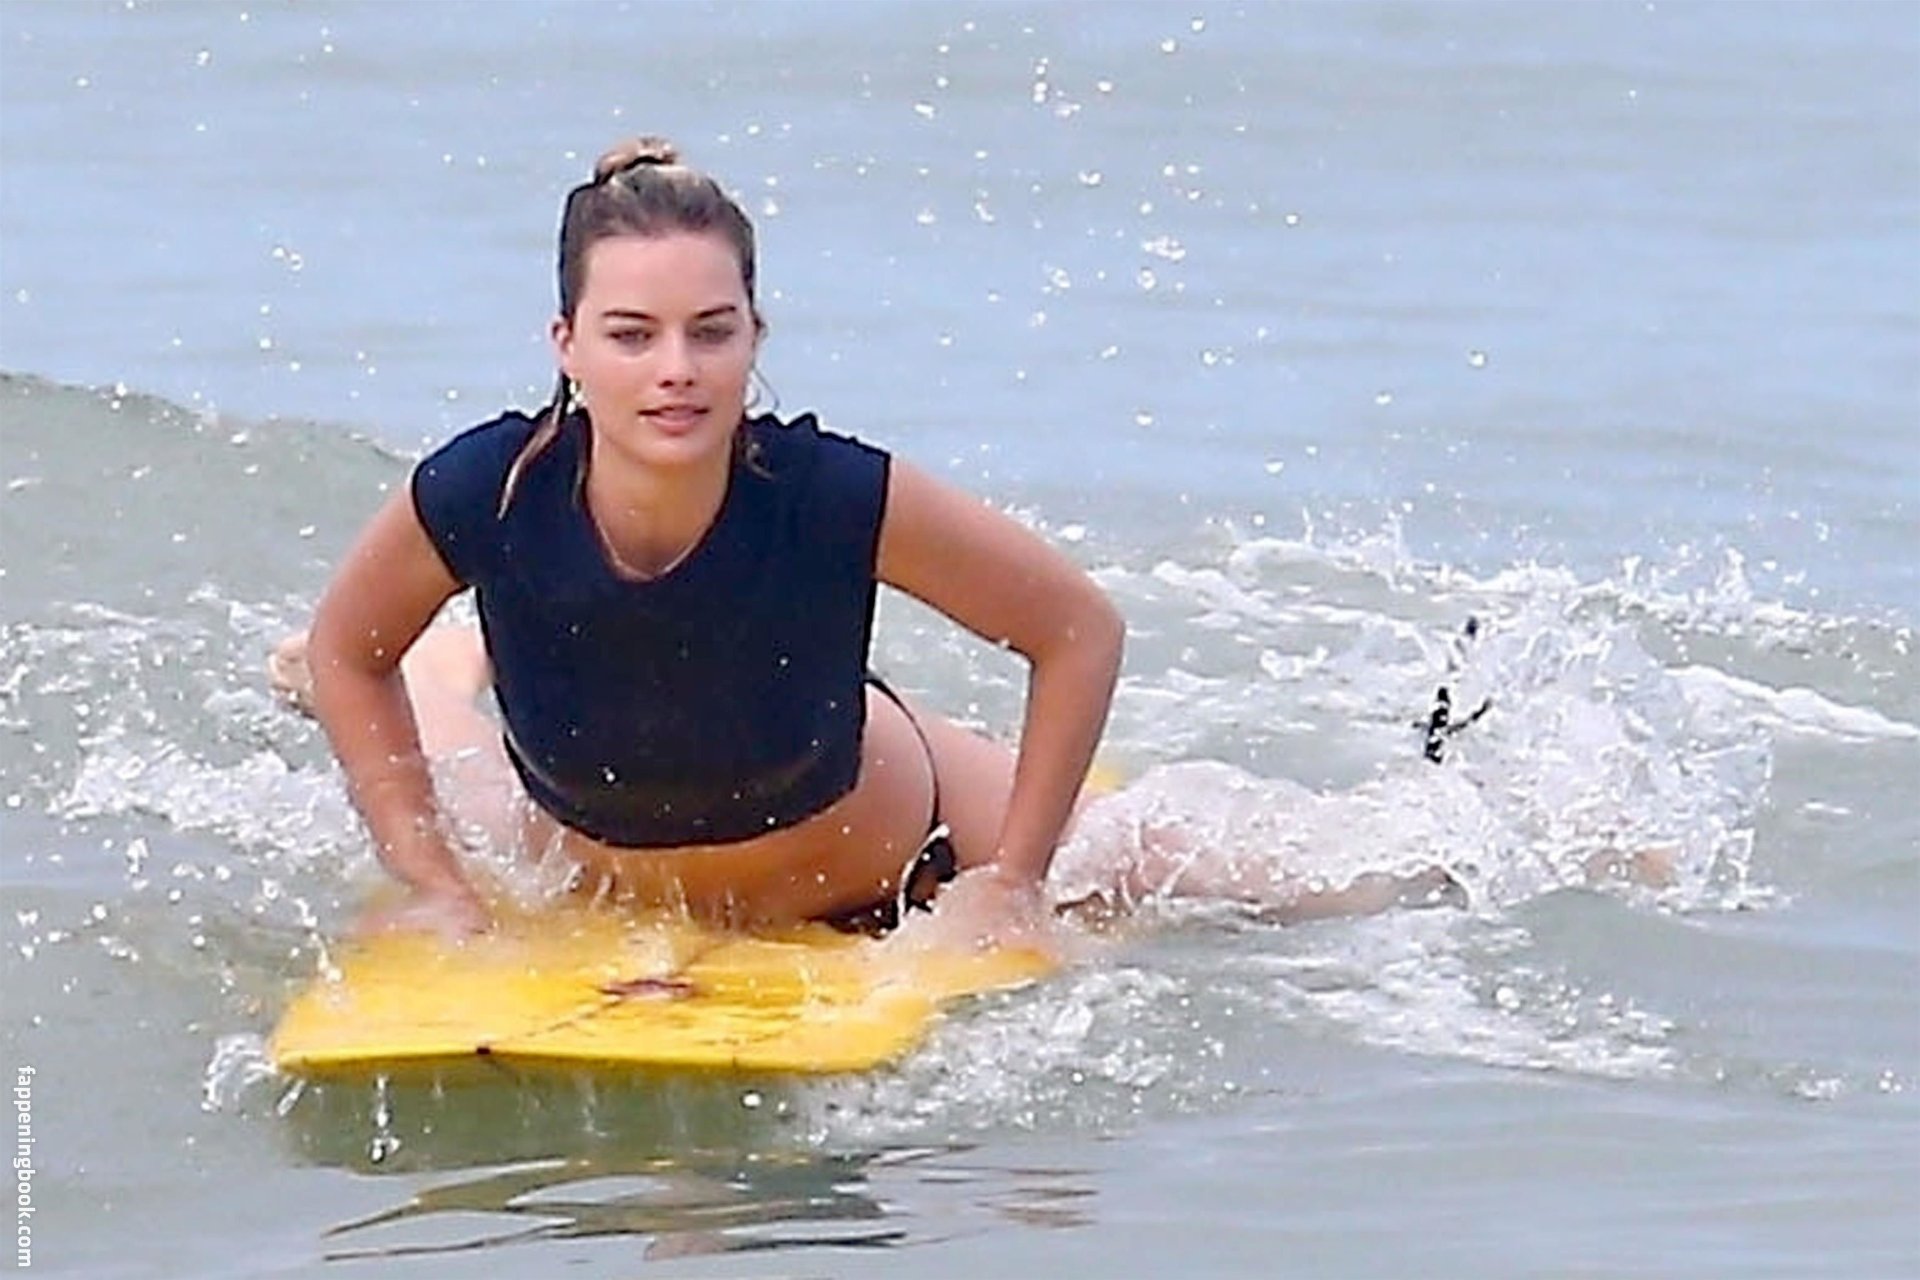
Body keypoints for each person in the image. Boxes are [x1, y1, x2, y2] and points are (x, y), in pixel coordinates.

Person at [276, 136, 1463, 944]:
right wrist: (431, 885)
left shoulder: (830, 493)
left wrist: (1015, 881)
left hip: (905, 846)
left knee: (1282, 878)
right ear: (566, 342)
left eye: (712, 331)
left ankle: (1504, 816)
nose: (676, 368)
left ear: (755, 334)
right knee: (452, 766)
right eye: (632, 334)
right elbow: (348, 650)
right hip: (601, 855)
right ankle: (456, 660)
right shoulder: (489, 489)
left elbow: (1077, 629)